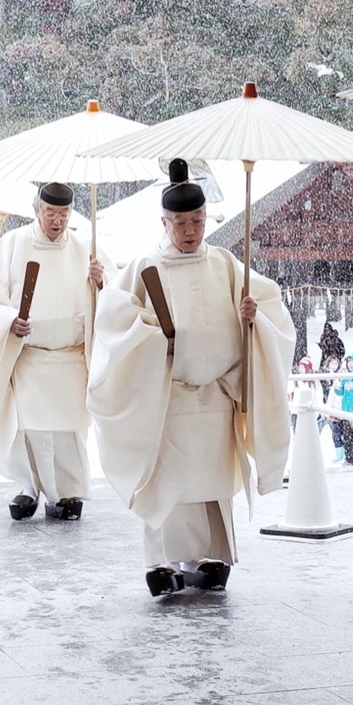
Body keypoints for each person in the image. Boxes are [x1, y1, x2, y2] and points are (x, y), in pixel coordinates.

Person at [87, 158, 295, 596]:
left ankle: (207, 556)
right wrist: (152, 342)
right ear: (164, 222)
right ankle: (162, 562)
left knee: (210, 484)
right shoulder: (145, 267)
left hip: (216, 394)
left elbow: (272, 314)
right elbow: (114, 320)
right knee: (169, 485)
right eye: (181, 223)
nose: (190, 231)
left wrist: (253, 320)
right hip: (168, 397)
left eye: (197, 221)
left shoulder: (225, 265)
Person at [0, 182, 108, 521]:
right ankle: (29, 488)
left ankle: (66, 493)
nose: (56, 222)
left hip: (71, 356)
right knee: (30, 429)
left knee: (68, 431)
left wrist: (101, 282)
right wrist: (8, 321)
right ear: (36, 210)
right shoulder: (13, 244)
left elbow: (114, 299)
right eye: (50, 214)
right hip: (30, 357)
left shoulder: (86, 248)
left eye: (63, 215)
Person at [333, 352, 353, 466]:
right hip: (346, 412)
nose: (350, 365)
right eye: (349, 362)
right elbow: (341, 392)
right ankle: (349, 460)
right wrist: (337, 388)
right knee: (347, 438)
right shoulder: (346, 377)